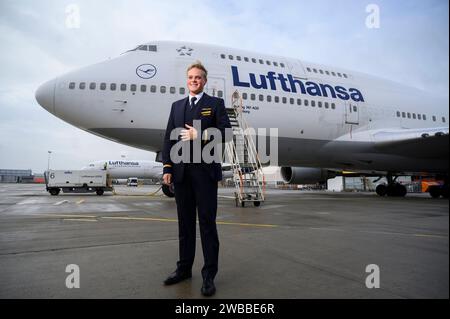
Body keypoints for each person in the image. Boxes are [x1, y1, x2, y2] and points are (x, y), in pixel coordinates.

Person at [162, 61, 231, 297]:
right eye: (191, 77)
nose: (194, 80)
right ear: (187, 79)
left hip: (205, 173)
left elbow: (227, 133)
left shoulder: (215, 104)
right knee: (185, 224)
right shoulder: (176, 106)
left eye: (198, 77)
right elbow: (169, 140)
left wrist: (200, 134)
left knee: (207, 224)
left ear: (205, 80)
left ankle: (209, 275)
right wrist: (167, 167)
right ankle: (183, 269)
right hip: (181, 174)